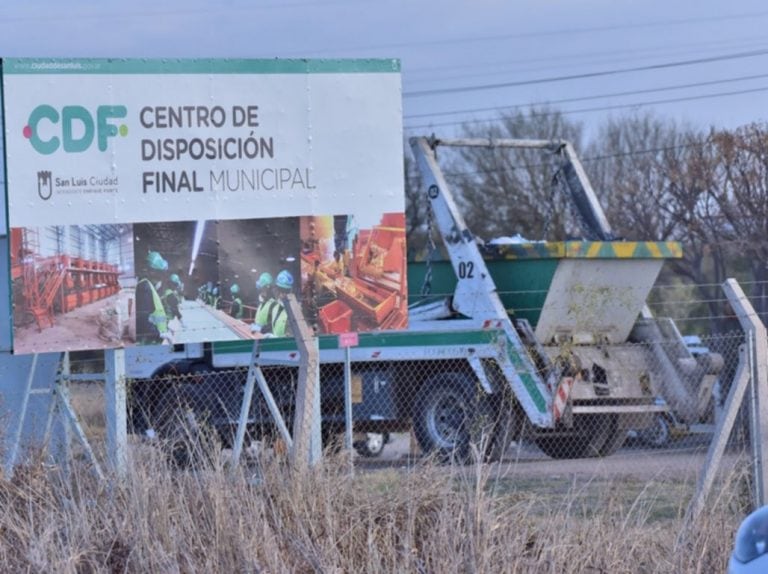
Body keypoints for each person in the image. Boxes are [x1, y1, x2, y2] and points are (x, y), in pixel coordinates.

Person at [136, 250, 171, 344]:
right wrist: (158, 333)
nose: (162, 278)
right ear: (152, 271)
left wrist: (165, 324)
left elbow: (152, 315)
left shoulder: (149, 287)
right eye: (160, 273)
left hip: (153, 339)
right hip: (148, 341)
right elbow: (142, 319)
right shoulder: (145, 287)